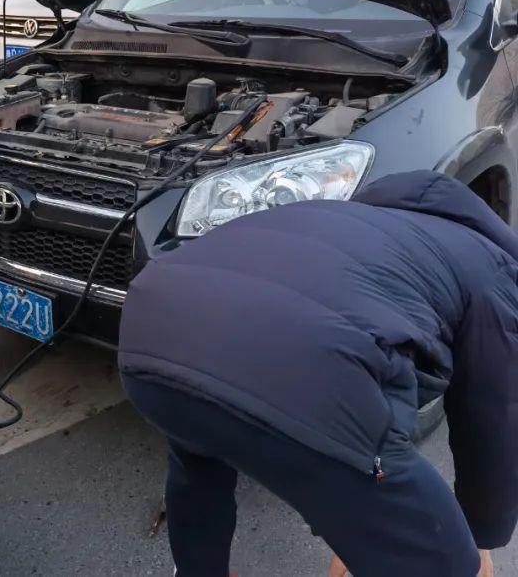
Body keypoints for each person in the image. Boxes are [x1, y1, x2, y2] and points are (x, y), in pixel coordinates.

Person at [119, 170, 518, 577]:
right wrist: (481, 533)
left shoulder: (342, 217)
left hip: (152, 332)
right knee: (449, 561)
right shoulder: (493, 270)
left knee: (197, 457)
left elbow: (376, 357)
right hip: (305, 367)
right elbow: (493, 419)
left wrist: (362, 509)